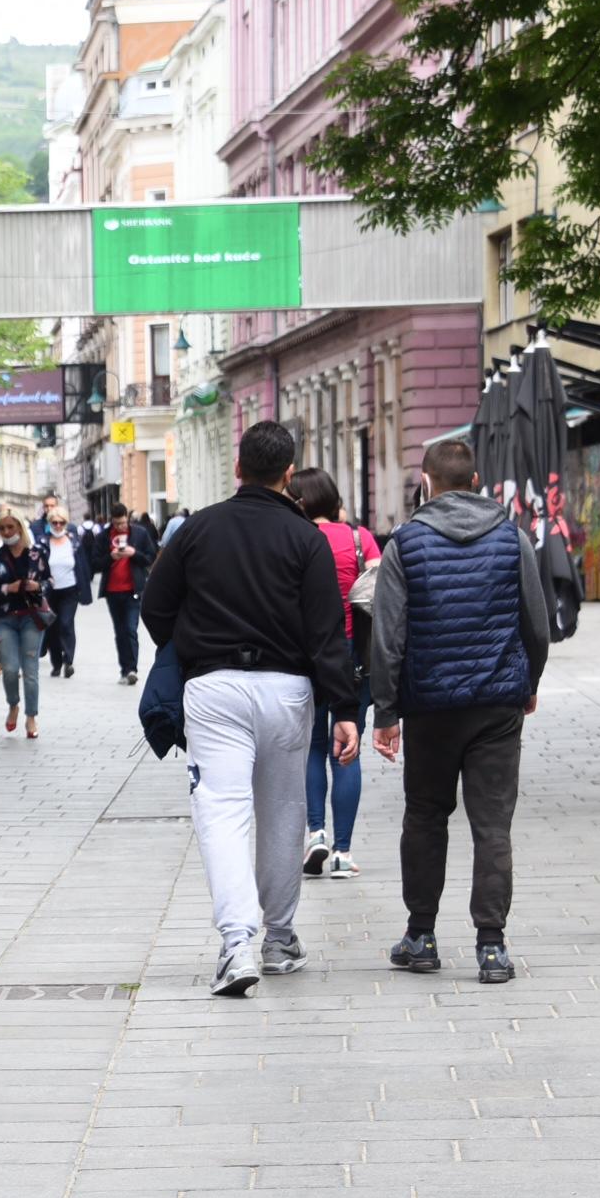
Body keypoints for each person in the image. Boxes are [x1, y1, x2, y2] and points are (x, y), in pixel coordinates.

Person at [143, 421, 360, 997]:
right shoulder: (306, 538)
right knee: (285, 812)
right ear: (289, 474)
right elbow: (326, 633)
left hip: (213, 690)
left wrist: (189, 645)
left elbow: (154, 608)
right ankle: (280, 937)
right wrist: (345, 707)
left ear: (237, 468)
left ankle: (235, 944)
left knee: (221, 814)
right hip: (287, 689)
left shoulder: (195, 530)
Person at [368, 439, 550, 985]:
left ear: (426, 482)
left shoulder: (405, 543)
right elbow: (536, 625)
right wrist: (528, 682)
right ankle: (491, 946)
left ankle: (420, 935)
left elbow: (388, 635)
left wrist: (386, 711)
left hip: (430, 707)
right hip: (497, 704)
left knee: (425, 817)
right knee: (492, 825)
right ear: (476, 481)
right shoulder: (512, 538)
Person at [291, 468, 378, 880]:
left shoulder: (294, 537)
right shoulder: (361, 539)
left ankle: (316, 833)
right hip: (354, 656)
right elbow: (384, 595)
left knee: (313, 745)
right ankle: (343, 852)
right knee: (348, 748)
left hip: (308, 653)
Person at [0, 512, 50, 739]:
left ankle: (31, 716)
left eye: (11, 527)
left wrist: (36, 586)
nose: (7, 532)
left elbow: (49, 581)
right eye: (3, 529)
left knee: (30, 671)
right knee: (10, 669)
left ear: (20, 528)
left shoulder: (36, 554)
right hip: (4, 618)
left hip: (31, 616)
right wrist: (6, 589)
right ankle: (13, 705)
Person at [98, 503, 158, 686]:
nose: (120, 527)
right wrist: (111, 558)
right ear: (112, 521)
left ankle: (132, 669)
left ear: (127, 518)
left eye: (123, 523)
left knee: (131, 629)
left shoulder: (139, 533)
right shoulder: (103, 536)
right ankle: (124, 669)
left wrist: (134, 553)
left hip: (133, 590)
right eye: (117, 524)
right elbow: (95, 563)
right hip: (112, 591)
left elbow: (151, 557)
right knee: (120, 631)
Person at [38, 506, 86, 678]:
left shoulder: (73, 541)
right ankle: (56, 663)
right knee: (52, 627)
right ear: (50, 523)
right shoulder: (42, 542)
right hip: (50, 592)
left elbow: (82, 565)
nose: (58, 525)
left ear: (66, 523)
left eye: (61, 522)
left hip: (70, 590)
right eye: (54, 522)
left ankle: (68, 661)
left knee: (66, 623)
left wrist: (85, 590)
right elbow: (37, 566)